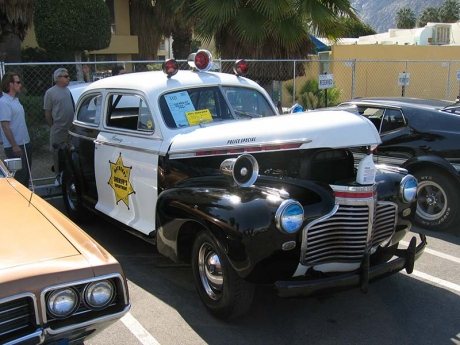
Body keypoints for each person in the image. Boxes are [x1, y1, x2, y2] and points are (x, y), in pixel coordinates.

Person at [0, 72, 32, 187]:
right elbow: (5, 126)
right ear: (10, 84)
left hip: (25, 143)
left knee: (26, 176)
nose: (20, 85)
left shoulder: (15, 100)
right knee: (20, 178)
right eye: (18, 82)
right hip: (15, 146)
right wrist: (14, 145)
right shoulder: (4, 102)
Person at [44, 68, 74, 184]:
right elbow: (47, 112)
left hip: (70, 129)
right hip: (58, 129)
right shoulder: (50, 92)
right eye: (65, 76)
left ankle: (68, 174)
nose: (68, 78)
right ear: (57, 78)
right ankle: (58, 176)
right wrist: (53, 125)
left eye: (68, 76)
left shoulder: (68, 90)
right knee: (56, 153)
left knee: (69, 152)